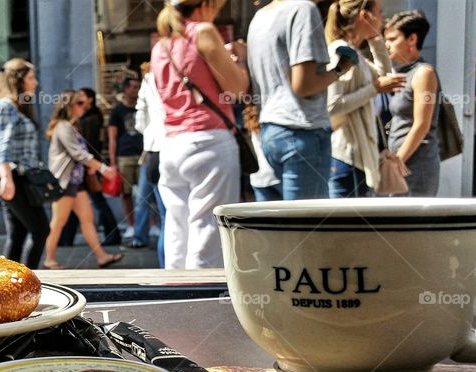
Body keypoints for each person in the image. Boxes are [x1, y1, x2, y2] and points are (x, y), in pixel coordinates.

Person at [151, 0, 247, 269]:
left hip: (172, 144)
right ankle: (200, 300)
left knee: (177, 228)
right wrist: (239, 60)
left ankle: (173, 296)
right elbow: (237, 88)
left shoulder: (161, 46)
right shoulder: (203, 31)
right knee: (208, 230)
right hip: (208, 140)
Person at [248, 0, 355, 200]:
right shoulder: (303, 9)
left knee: (285, 225)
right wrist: (340, 69)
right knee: (305, 226)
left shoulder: (260, 17)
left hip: (271, 131)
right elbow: (303, 86)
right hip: (302, 132)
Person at [325, 0, 404, 198]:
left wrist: (375, 39)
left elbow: (384, 75)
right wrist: (374, 89)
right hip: (347, 156)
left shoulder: (356, 53)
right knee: (346, 227)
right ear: (365, 15)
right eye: (380, 12)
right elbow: (332, 105)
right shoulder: (340, 52)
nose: (383, 18)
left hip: (357, 157)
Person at [43, 90, 123, 270]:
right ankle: (49, 259)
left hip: (76, 183)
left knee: (87, 218)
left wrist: (90, 167)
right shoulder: (63, 126)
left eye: (85, 104)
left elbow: (80, 155)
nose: (84, 107)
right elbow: (78, 154)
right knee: (58, 222)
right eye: (79, 103)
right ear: (68, 106)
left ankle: (101, 256)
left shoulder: (71, 126)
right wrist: (101, 167)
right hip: (64, 183)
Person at [0, 58, 48, 269]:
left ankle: (9, 285)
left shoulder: (19, 106)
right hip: (13, 176)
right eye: (31, 78)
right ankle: (29, 278)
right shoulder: (6, 106)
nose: (35, 82)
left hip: (21, 176)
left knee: (18, 233)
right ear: (18, 80)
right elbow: (1, 145)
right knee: (41, 229)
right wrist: (6, 177)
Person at [384, 10, 441, 196]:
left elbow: (421, 125)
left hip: (416, 166)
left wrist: (397, 161)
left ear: (412, 39)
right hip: (401, 163)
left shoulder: (424, 73)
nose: (387, 45)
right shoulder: (404, 73)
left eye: (392, 39)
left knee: (412, 223)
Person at [60, 88, 121, 247]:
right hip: (85, 166)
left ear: (90, 100)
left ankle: (113, 235)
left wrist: (93, 165)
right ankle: (67, 238)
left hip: (88, 167)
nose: (78, 103)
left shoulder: (91, 118)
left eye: (81, 100)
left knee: (97, 202)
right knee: (76, 202)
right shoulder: (89, 117)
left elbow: (90, 144)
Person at [134, 61, 166, 262]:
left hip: (153, 149)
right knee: (174, 217)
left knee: (167, 217)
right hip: (174, 146)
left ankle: (167, 269)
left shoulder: (147, 81)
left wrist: (149, 132)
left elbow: (139, 121)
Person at [108, 75, 144, 236]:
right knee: (126, 193)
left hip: (144, 154)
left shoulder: (143, 106)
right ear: (126, 89)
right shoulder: (117, 111)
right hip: (125, 156)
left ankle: (151, 225)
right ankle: (131, 225)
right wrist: (113, 162)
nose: (137, 90)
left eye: (139, 86)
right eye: (134, 87)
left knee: (146, 193)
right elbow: (112, 138)